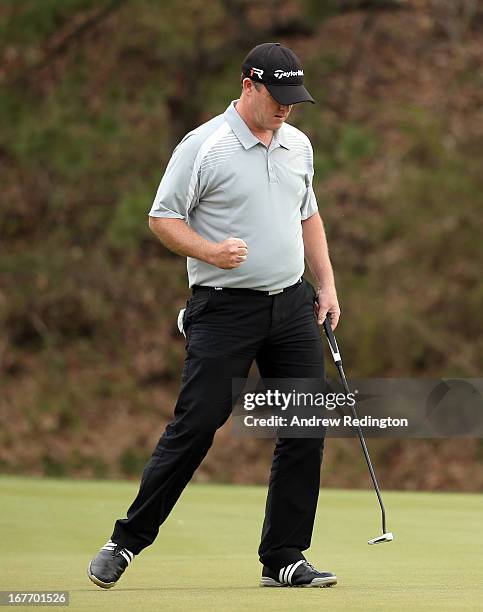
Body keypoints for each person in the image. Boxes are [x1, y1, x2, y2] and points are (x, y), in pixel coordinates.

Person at [88, 42, 341, 589]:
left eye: (294, 100)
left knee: (304, 427)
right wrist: (209, 251)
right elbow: (162, 218)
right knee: (198, 424)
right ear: (249, 84)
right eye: (277, 98)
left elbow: (309, 214)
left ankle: (285, 556)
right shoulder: (205, 146)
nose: (285, 110)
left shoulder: (298, 144)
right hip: (224, 309)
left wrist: (326, 284)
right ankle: (125, 542)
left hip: (292, 304)